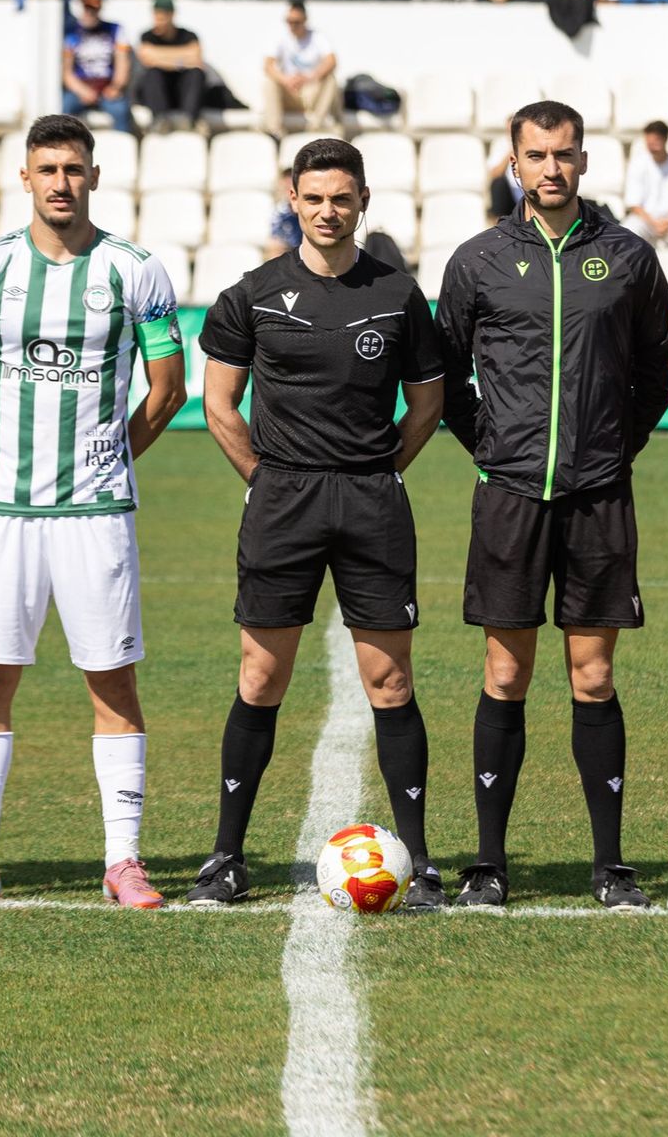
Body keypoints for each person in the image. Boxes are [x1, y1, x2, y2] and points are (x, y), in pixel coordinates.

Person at [185, 138, 446, 910]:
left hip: (371, 500)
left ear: (363, 200)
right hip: (283, 502)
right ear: (291, 200)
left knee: (390, 681)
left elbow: (427, 405)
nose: (328, 211)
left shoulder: (399, 296)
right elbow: (219, 405)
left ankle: (421, 860)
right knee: (261, 677)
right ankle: (226, 856)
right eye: (314, 197)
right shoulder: (254, 294)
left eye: (342, 197)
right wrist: (267, 480)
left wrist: (379, 470)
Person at [0, 115, 186, 908]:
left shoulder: (135, 271)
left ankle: (124, 861)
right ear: (25, 178)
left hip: (96, 513)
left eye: (74, 169)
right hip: (4, 510)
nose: (61, 182)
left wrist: (106, 460)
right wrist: (6, 447)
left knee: (111, 680)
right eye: (47, 169)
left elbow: (167, 389)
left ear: (94, 176)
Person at [435, 100, 668, 910]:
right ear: (514, 162)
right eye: (536, 155)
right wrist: (495, 449)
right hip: (509, 497)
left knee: (594, 675)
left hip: (600, 496)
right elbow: (447, 379)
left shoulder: (630, 259)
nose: (551, 169)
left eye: (564, 154)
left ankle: (610, 866)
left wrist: (612, 447)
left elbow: (653, 377)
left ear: (584, 160)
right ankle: (489, 865)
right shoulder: (477, 261)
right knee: (506, 672)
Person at [262, 1, 338, 140]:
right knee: (270, 82)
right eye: (289, 21)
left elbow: (331, 61)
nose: (292, 26)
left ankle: (316, 127)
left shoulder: (317, 37)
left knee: (330, 80)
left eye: (296, 22)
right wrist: (286, 80)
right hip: (290, 93)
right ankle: (275, 132)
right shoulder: (281, 38)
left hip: (310, 93)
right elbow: (268, 65)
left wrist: (309, 77)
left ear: (305, 20)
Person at [62, 0, 132, 133]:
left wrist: (116, 87)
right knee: (66, 108)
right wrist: (82, 91)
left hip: (107, 86)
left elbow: (123, 63)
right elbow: (66, 72)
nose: (90, 13)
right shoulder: (71, 32)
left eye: (93, 9)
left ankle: (122, 148)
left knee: (120, 110)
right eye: (87, 8)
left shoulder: (115, 29)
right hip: (81, 87)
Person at [136, 0, 205, 132]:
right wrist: (182, 60)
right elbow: (147, 59)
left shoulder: (188, 35)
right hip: (158, 95)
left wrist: (159, 57)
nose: (158, 22)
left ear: (171, 16)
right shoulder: (147, 36)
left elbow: (196, 58)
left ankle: (188, 120)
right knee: (152, 74)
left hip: (181, 93)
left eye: (162, 18)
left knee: (196, 74)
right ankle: (160, 120)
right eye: (156, 17)